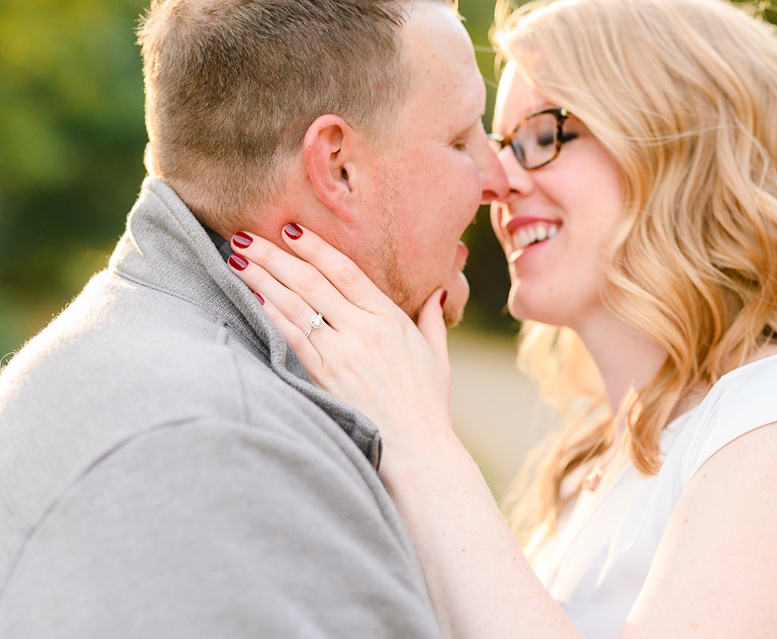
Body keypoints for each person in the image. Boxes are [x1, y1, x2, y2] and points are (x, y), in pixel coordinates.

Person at [228, 0, 777, 636]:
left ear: (678, 143)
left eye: (543, 134)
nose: (499, 182)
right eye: (498, 143)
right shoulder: (584, 471)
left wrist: (420, 439)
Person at [0, 0, 507, 636]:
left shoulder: (138, 360)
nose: (498, 177)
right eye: (461, 139)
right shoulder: (217, 455)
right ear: (337, 168)